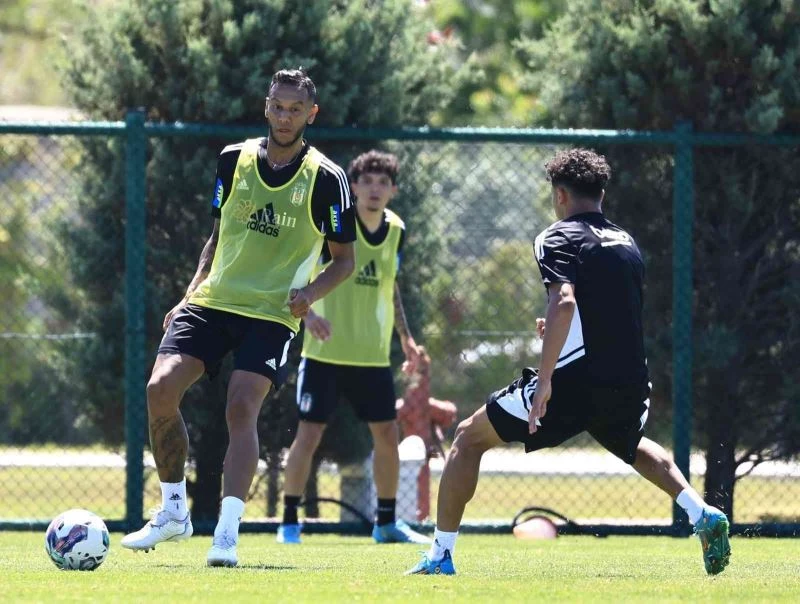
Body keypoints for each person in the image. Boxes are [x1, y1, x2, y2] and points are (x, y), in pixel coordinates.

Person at [406, 148, 731, 576]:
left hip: (575, 379)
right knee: (631, 444)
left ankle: (440, 555)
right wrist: (566, 328)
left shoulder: (557, 236)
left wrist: (544, 380)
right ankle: (700, 512)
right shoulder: (626, 242)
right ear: (601, 194)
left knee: (467, 438)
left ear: (560, 195)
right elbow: (606, 312)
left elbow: (564, 301)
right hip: (629, 377)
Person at [120, 68, 356, 568]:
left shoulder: (327, 178)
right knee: (159, 389)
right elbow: (217, 237)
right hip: (214, 300)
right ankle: (173, 511)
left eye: (295, 109)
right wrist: (189, 293)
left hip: (272, 313)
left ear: (311, 114)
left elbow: (344, 260)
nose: (285, 117)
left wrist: (309, 294)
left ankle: (226, 534)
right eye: (278, 106)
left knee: (241, 405)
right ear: (266, 106)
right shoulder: (233, 159)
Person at [276, 150, 429, 545]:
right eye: (367, 181)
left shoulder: (396, 230)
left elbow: (390, 284)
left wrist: (406, 338)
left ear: (393, 190)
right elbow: (298, 273)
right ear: (354, 186)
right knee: (308, 435)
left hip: (371, 358)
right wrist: (308, 315)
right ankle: (288, 522)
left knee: (387, 435)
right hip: (324, 355)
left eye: (383, 183)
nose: (375, 189)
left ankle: (386, 524)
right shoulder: (336, 225)